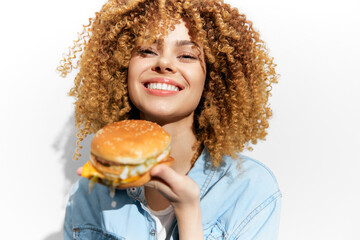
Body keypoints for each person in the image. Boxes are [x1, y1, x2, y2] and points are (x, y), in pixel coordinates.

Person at [58, 0, 281, 239]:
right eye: (147, 51)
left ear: (214, 79)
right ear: (122, 67)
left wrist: (188, 211)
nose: (163, 63)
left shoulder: (250, 189)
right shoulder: (89, 195)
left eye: (186, 55)